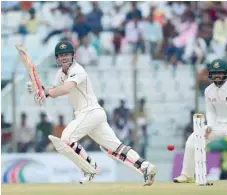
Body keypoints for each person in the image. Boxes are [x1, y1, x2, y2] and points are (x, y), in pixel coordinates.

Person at [26, 41, 156, 185]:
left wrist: (45, 92)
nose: (64, 58)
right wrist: (40, 90)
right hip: (92, 115)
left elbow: (65, 89)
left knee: (66, 140)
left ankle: (90, 167)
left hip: (89, 112)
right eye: (61, 55)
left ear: (73, 55)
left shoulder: (77, 70)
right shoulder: (60, 73)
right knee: (114, 148)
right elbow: (55, 90)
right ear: (57, 58)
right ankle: (146, 167)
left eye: (67, 55)